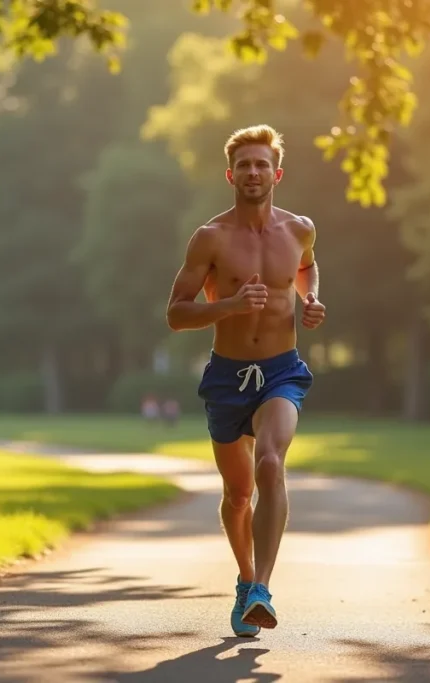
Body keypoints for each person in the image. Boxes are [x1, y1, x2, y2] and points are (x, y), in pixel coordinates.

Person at [164, 124, 326, 637]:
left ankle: (263, 591)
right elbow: (175, 313)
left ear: (276, 173)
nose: (253, 172)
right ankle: (245, 579)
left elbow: (306, 269)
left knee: (271, 463)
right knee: (237, 496)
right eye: (244, 165)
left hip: (281, 369)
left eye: (262, 164)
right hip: (227, 377)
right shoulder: (210, 238)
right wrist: (229, 305)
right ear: (230, 173)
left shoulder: (300, 228)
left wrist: (312, 299)